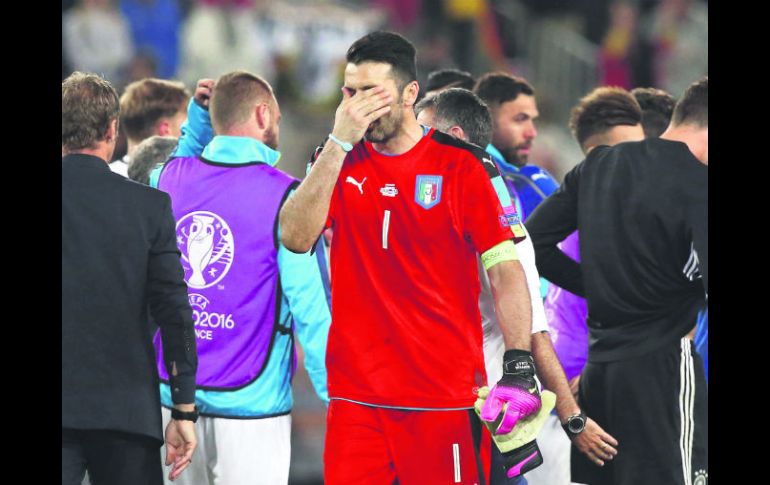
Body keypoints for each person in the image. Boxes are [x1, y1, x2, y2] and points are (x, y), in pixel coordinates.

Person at [279, 31, 540, 485]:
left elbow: (506, 272)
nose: (358, 107)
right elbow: (295, 237)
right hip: (356, 402)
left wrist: (518, 364)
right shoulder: (336, 161)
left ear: (409, 93)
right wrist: (338, 143)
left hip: (443, 400)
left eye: (372, 93)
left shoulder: (464, 167)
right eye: (350, 92)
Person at [418, 88, 618, 485]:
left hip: (481, 416)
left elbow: (535, 334)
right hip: (422, 407)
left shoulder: (504, 231)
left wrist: (573, 420)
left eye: (422, 132)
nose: (412, 145)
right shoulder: (427, 218)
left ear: (454, 138)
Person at [150, 72, 332, 485]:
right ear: (263, 114)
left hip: (170, 399)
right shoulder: (288, 198)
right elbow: (311, 310)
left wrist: (199, 120)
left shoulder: (166, 181)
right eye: (279, 119)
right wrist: (334, 399)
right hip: (253, 408)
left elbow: (180, 163)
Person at [526, 77, 708, 485]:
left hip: (600, 375)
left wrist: (598, 286)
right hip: (663, 371)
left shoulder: (597, 165)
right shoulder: (699, 183)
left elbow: (532, 241)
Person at [62, 71, 198, 485]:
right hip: (126, 415)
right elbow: (175, 312)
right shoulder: (150, 208)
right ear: (112, 131)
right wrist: (183, 411)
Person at [109, 77, 189, 176]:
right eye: (185, 129)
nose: (190, 136)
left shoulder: (102, 177)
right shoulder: (176, 183)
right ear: (165, 130)